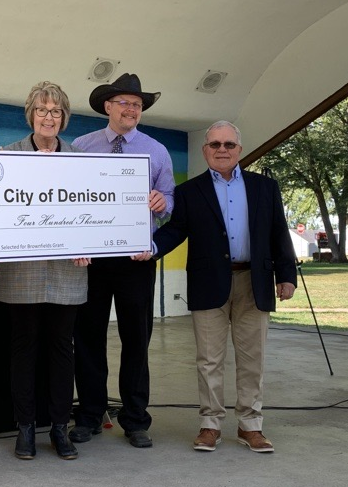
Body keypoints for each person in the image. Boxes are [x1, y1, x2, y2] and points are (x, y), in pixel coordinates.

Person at [142, 120, 297, 453]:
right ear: (205, 150)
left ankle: (250, 426)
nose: (222, 150)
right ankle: (210, 424)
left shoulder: (265, 188)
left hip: (254, 282)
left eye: (229, 144)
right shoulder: (189, 192)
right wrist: (150, 246)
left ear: (239, 149)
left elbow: (278, 233)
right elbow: (174, 230)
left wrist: (286, 275)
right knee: (209, 360)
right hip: (208, 282)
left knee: (252, 358)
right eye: (215, 145)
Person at [68, 73, 175, 448]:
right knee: (88, 339)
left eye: (138, 105)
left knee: (136, 340)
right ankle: (89, 415)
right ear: (108, 107)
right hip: (92, 261)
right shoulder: (81, 146)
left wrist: (163, 204)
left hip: (136, 258)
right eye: (125, 103)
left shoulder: (157, 150)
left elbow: (168, 203)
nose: (132, 109)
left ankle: (135, 419)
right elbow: (70, 196)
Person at [0, 81, 90, 460]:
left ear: (64, 117)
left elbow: (93, 212)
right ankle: (25, 429)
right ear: (31, 115)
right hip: (23, 271)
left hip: (68, 272)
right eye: (42, 109)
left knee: (62, 352)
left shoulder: (81, 160)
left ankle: (60, 429)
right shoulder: (8, 157)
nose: (48, 117)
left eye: (55, 111)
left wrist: (90, 245)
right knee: (24, 350)